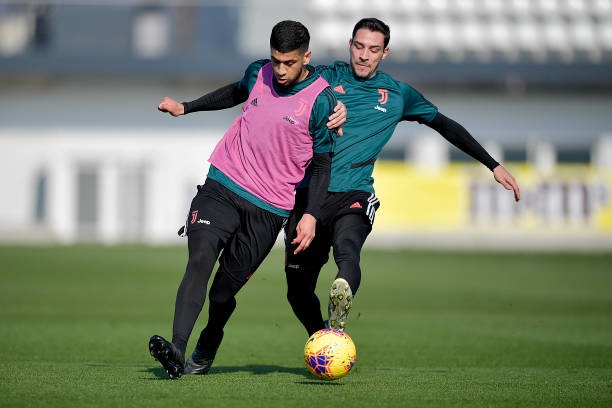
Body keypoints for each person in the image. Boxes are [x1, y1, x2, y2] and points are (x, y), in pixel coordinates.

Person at [284, 18, 521, 336]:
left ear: (385, 53)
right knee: (297, 291)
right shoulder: (323, 77)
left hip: (352, 193)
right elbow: (280, 90)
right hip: (309, 196)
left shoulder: (397, 94)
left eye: (373, 49)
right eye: (359, 46)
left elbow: (445, 125)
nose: (364, 55)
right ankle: (324, 338)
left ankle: (341, 302)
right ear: (349, 45)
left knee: (347, 249)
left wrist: (493, 164)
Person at [148, 20, 345, 379]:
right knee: (200, 257)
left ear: (307, 57)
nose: (280, 70)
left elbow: (321, 165)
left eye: (289, 63)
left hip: (268, 210)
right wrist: (186, 107)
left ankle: (209, 341)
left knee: (222, 293)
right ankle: (177, 349)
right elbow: (236, 92)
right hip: (222, 185)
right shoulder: (258, 72)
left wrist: (311, 214)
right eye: (275, 61)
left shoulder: (322, 101)